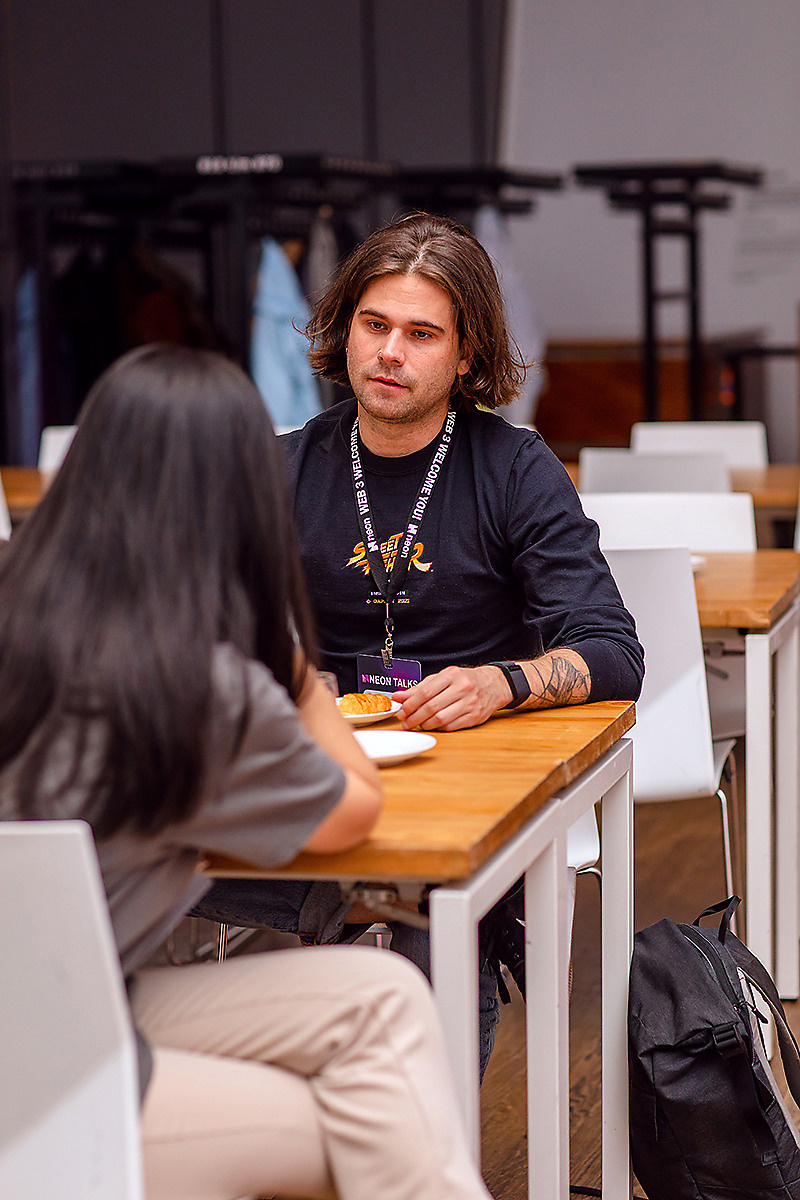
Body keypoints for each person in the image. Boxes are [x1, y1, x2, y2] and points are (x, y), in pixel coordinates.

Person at [0, 343, 495, 1200]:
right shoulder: (195, 685)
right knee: (367, 1120)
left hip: (62, 997)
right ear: (240, 499)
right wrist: (294, 665)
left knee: (379, 994)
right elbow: (354, 806)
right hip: (40, 1066)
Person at [196, 211, 645, 1076]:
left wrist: (503, 683)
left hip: (474, 781)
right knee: (132, 851)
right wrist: (280, 686)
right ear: (345, 330)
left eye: (421, 333)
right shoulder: (283, 466)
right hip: (329, 764)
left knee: (440, 917)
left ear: (467, 354)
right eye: (374, 326)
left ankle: (418, 1139)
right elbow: (205, 634)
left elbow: (613, 649)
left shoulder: (514, 468)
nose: (389, 353)